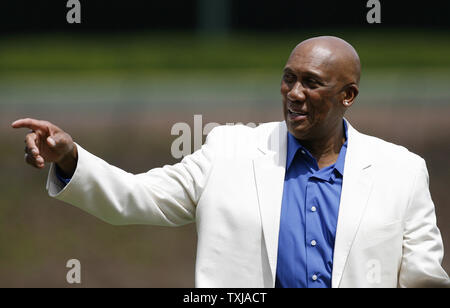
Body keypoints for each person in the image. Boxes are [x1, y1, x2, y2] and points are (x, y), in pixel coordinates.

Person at [12, 36, 450, 288]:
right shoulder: (228, 150)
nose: (294, 93)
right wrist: (70, 157)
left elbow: (424, 280)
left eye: (311, 83)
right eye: (288, 78)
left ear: (347, 96)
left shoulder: (402, 171)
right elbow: (137, 198)